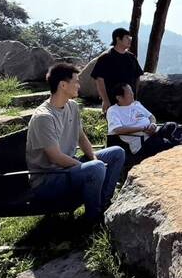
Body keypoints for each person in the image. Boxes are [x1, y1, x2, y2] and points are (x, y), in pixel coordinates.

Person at [26, 63, 125, 222]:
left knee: (117, 153)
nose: (79, 85)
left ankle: (103, 205)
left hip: (68, 169)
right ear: (63, 85)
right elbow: (55, 157)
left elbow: (81, 136)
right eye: (76, 82)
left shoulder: (71, 106)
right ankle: (93, 218)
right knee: (96, 168)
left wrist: (93, 158)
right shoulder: (43, 117)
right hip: (49, 179)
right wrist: (89, 167)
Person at [106, 83, 182, 177]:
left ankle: (180, 148)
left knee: (172, 126)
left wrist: (152, 125)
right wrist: (142, 128)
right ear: (119, 97)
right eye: (129, 93)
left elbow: (151, 117)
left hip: (152, 131)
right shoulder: (113, 111)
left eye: (131, 91)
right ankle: (179, 152)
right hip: (141, 140)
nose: (132, 94)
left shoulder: (136, 104)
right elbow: (118, 130)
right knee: (165, 143)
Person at [91, 28, 143, 113]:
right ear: (118, 39)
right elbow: (99, 80)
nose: (129, 40)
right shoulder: (105, 58)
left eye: (130, 38)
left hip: (130, 102)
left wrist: (135, 96)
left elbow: (137, 77)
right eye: (127, 38)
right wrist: (105, 100)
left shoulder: (132, 58)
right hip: (113, 102)